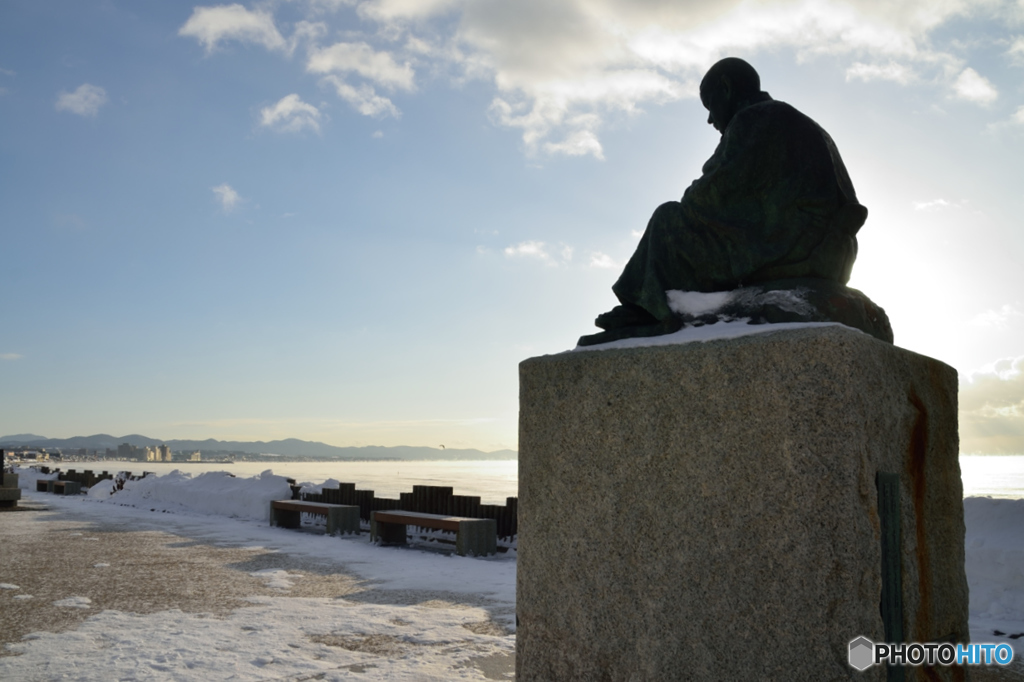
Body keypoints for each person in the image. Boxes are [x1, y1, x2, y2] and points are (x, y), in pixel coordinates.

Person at [583, 57, 867, 345]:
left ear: (726, 88)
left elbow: (711, 195)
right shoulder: (808, 125)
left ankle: (646, 310)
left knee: (668, 219)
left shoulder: (754, 118)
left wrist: (691, 198)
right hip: (832, 254)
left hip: (793, 246)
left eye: (710, 106)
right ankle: (645, 306)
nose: (710, 119)